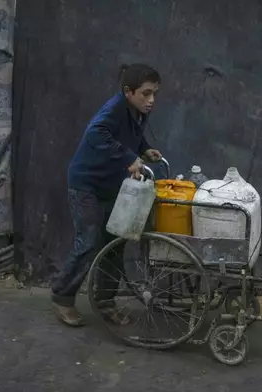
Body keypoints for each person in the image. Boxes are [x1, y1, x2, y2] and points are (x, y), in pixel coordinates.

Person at [51, 63, 163, 327]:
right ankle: (63, 297)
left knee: (116, 242)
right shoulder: (113, 109)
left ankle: (105, 302)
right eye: (146, 93)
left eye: (154, 93)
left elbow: (129, 136)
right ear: (128, 92)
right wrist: (128, 158)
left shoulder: (136, 112)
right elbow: (96, 133)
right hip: (86, 185)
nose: (151, 100)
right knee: (89, 241)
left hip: (112, 186)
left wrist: (144, 149)